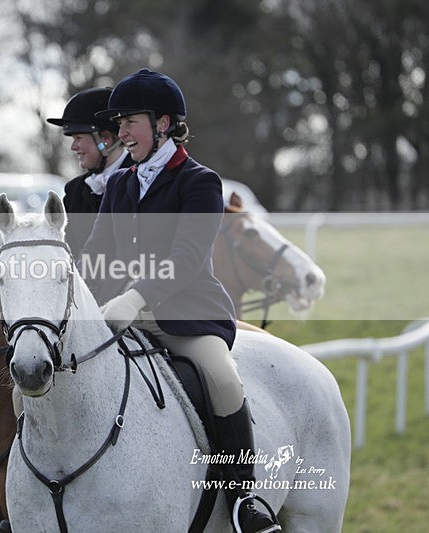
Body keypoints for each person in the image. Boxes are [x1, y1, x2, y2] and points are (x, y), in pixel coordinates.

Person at [82, 69, 280, 533]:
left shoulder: (199, 181)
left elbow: (187, 259)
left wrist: (136, 297)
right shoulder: (120, 184)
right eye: (120, 124)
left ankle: (243, 497)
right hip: (121, 313)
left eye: (130, 122)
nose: (122, 134)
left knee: (223, 379)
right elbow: (96, 253)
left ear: (164, 124)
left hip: (186, 315)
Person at [46, 87, 133, 257]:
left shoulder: (143, 181)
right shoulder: (74, 191)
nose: (73, 147)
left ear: (106, 139)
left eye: (78, 138)